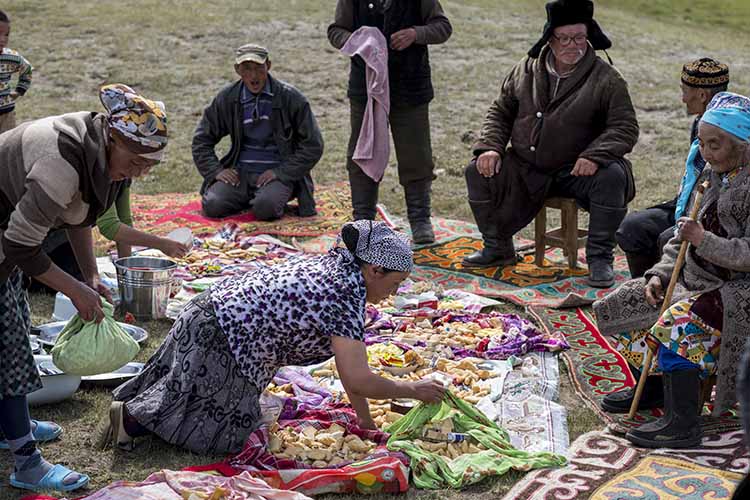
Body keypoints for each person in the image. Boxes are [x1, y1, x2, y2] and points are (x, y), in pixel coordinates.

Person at [103, 221, 445, 454]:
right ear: (374, 270)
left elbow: (352, 375)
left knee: (203, 396)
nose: (394, 292)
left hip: (211, 315)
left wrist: (366, 422)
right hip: (221, 336)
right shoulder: (344, 294)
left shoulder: (342, 270)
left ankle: (135, 414)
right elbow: (358, 378)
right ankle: (133, 421)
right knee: (224, 435)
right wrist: (411, 390)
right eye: (395, 283)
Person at [0, 83, 168, 492]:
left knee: (16, 324)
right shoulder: (61, 161)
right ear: (114, 138)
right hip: (8, 236)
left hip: (10, 236)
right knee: (7, 347)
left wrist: (89, 274)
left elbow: (81, 217)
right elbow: (19, 244)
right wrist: (75, 290)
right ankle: (26, 462)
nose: (139, 172)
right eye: (135, 162)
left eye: (149, 166)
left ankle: (8, 426)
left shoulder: (103, 158)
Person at [593, 92, 750, 449]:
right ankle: (652, 389)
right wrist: (661, 274)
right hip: (697, 279)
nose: (706, 153)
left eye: (716, 145)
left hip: (739, 291)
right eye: (702, 143)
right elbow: (681, 238)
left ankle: (683, 421)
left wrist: (704, 240)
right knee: (625, 301)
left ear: (743, 145)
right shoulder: (712, 175)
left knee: (677, 322)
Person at [463, 0, 639, 288]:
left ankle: (599, 259)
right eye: (565, 38)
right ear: (550, 38)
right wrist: (491, 147)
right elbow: (501, 111)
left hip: (576, 169)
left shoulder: (607, 78)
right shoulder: (526, 69)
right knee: (476, 170)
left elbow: (625, 126)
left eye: (580, 37)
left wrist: (595, 155)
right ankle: (498, 248)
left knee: (614, 177)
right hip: (526, 166)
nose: (574, 45)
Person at [327, 0, 452, 244]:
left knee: (417, 154)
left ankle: (419, 219)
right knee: (363, 152)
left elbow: (443, 27)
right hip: (366, 88)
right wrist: (359, 41)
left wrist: (416, 34)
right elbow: (336, 31)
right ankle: (363, 220)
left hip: (410, 86)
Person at [616, 58, 729, 278]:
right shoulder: (700, 122)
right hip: (687, 204)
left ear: (702, 95)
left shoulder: (727, 131)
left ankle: (673, 296)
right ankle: (644, 291)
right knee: (632, 228)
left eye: (685, 91)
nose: (682, 98)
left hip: (711, 212)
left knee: (667, 238)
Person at [194, 44, 323, 221]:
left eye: (258, 68)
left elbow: (313, 145)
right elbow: (201, 140)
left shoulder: (290, 98)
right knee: (213, 205)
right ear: (237, 70)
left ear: (268, 66)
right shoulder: (229, 98)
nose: (253, 76)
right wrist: (216, 171)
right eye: (246, 69)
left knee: (265, 209)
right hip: (241, 172)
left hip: (276, 172)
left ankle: (269, 196)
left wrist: (282, 172)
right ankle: (250, 197)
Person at [28, 182, 190, 294]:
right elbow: (110, 226)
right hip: (43, 240)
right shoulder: (100, 173)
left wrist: (127, 274)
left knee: (89, 280)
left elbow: (124, 219)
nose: (143, 171)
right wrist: (160, 243)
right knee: (76, 282)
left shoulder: (125, 172)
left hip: (70, 232)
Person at [0, 9, 32, 134]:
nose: (3, 39)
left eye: (6, 35)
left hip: (6, 114)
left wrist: (19, 90)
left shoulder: (12, 57)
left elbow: (27, 69)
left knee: (6, 146)